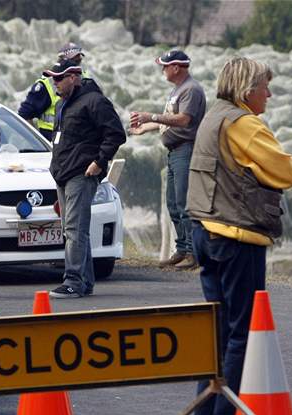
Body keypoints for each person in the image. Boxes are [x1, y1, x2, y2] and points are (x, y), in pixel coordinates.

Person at [186, 56, 292, 415]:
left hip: (205, 232)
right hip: (237, 237)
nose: (269, 93)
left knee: (214, 331)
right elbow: (288, 172)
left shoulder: (214, 116)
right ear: (246, 90)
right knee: (240, 332)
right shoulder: (245, 123)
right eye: (265, 86)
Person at [46, 58, 126, 299]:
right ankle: (85, 281)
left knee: (74, 229)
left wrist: (100, 162)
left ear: (73, 77)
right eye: (53, 78)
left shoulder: (94, 101)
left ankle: (73, 281)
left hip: (82, 173)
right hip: (63, 173)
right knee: (72, 229)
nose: (54, 83)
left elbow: (116, 134)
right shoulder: (62, 105)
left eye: (58, 78)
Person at [129, 50, 206, 270]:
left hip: (185, 150)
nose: (162, 70)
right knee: (173, 202)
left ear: (176, 67)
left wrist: (151, 116)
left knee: (184, 202)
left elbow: (183, 120)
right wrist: (147, 128)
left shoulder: (191, 90)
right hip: (174, 152)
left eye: (165, 66)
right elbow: (170, 119)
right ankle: (181, 249)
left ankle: (193, 252)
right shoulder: (178, 90)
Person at [18, 43, 87, 141]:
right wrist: (40, 143)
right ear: (61, 59)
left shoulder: (84, 79)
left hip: (76, 141)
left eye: (78, 60)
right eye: (74, 60)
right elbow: (24, 115)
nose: (77, 64)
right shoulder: (47, 85)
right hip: (52, 141)